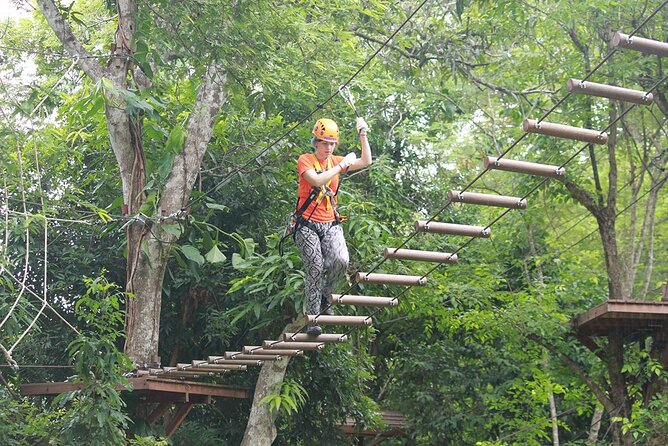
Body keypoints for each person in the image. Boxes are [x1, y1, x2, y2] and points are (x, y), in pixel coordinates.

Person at [295, 117, 372, 336]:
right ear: (316, 142)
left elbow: (366, 161)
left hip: (330, 222)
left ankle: (325, 295)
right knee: (315, 267)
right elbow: (317, 181)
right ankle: (313, 319)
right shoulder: (306, 160)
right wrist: (341, 165)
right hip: (306, 224)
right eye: (324, 143)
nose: (329, 147)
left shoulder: (335, 161)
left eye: (332, 143)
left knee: (341, 260)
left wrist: (363, 133)